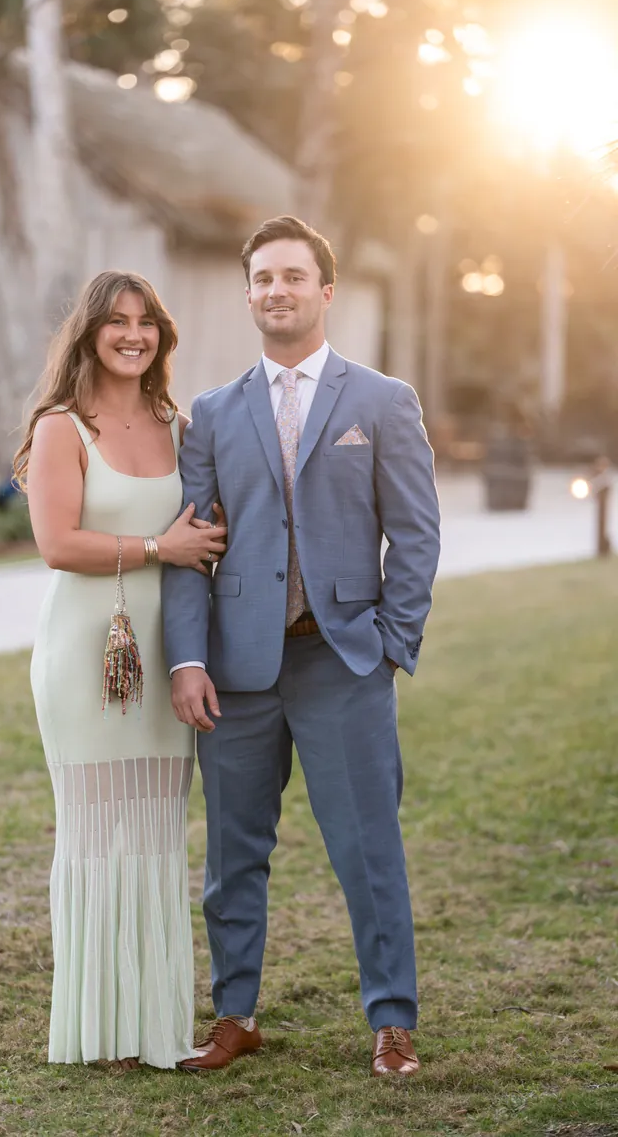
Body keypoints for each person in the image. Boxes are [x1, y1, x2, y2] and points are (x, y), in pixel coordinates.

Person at [162, 216, 441, 1077]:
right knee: (232, 854)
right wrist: (188, 659)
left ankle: (391, 1021)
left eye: (291, 276)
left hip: (344, 661)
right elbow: (192, 548)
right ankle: (234, 1015)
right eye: (262, 278)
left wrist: (391, 642)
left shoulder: (382, 401)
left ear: (325, 290)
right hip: (237, 672)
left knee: (368, 850)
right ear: (247, 295)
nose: (276, 290)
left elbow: (416, 534)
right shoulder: (212, 414)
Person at [14, 270, 227, 1070]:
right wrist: (158, 548)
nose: (133, 335)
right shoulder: (62, 427)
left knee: (156, 836)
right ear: (90, 332)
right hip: (85, 655)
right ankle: (99, 1031)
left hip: (166, 655)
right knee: (95, 834)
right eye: (117, 321)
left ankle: (149, 1024)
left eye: (146, 322)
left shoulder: (179, 426)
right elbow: (57, 544)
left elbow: (204, 532)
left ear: (160, 335)